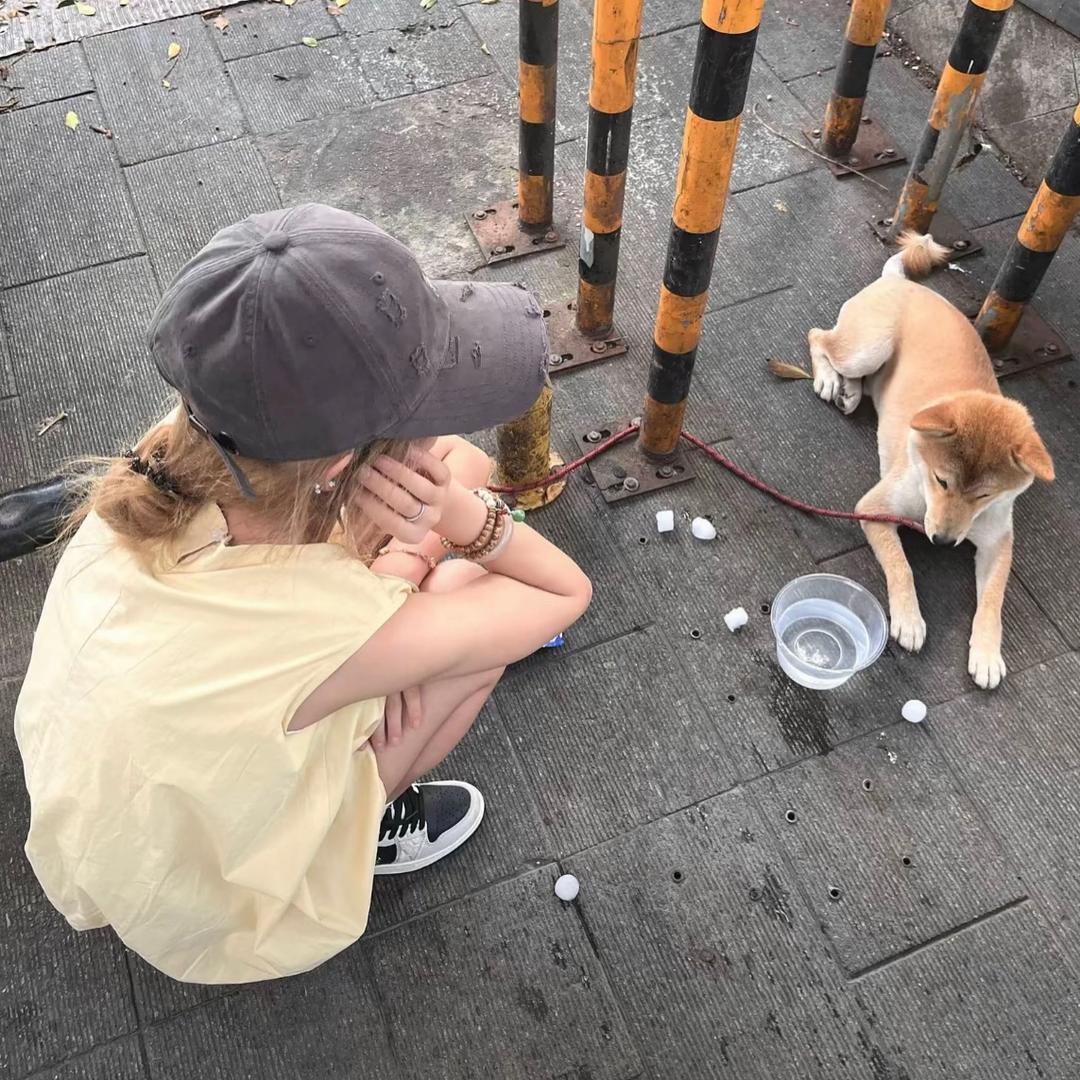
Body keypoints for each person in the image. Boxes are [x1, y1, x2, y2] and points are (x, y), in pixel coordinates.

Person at [13, 204, 592, 984]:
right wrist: (450, 517)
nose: (441, 430)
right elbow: (563, 591)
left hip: (118, 819)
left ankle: (390, 645)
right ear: (337, 469)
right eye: (419, 417)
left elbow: (445, 470)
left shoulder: (187, 443)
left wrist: (403, 563)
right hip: (214, 903)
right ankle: (367, 828)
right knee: (468, 592)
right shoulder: (328, 627)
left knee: (451, 518)